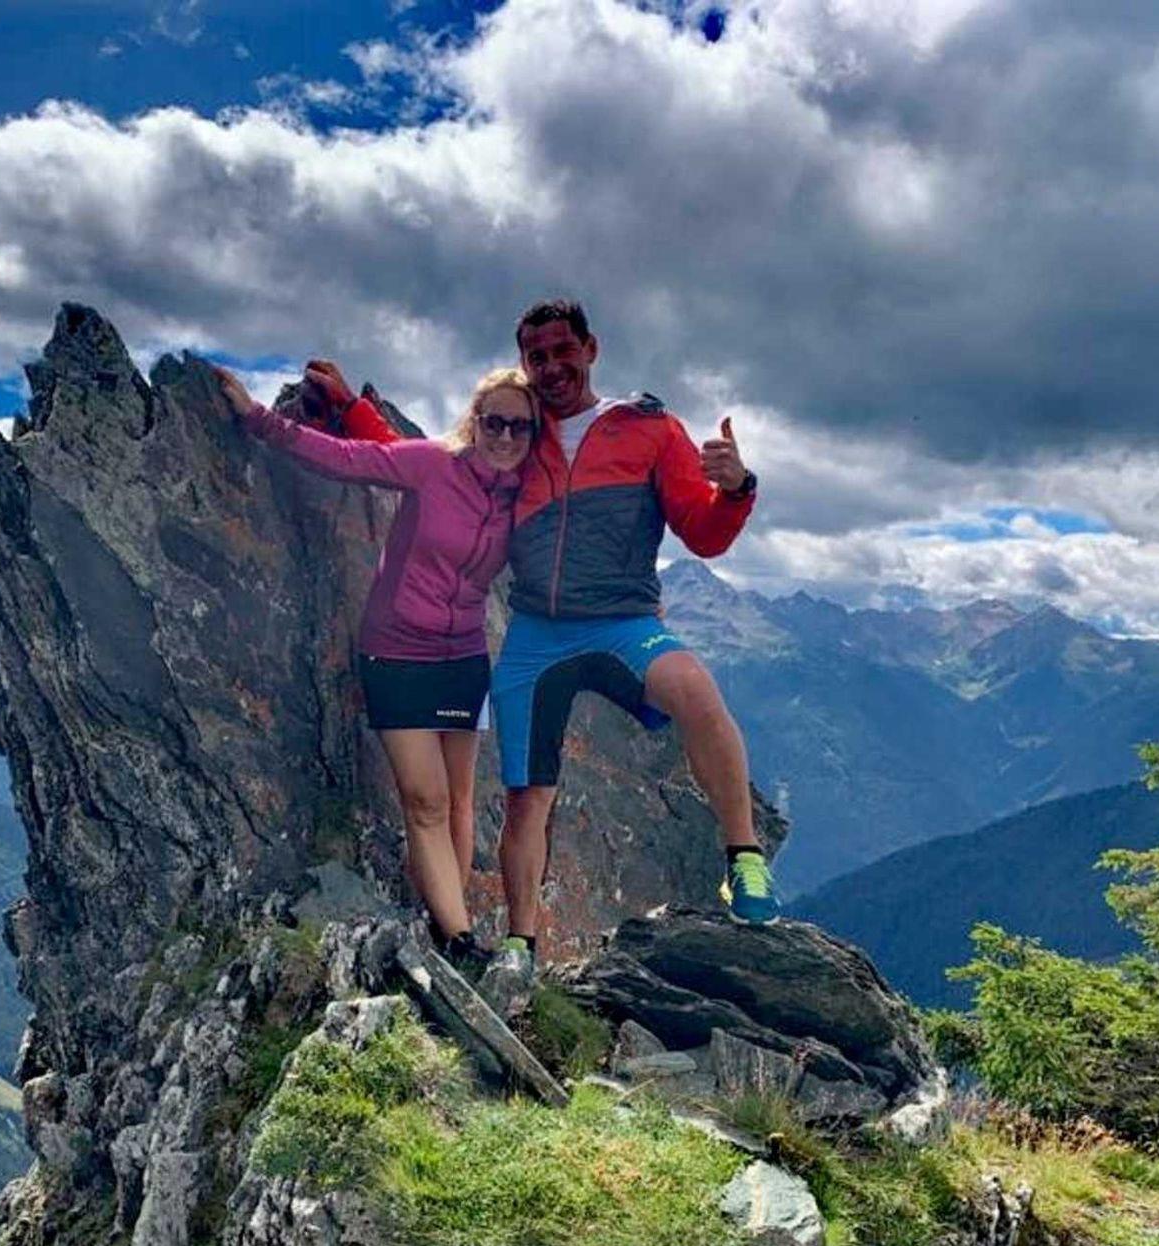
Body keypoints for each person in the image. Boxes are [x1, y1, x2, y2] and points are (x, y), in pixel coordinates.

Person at [340, 299, 777, 972]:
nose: (551, 367)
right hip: (537, 635)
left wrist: (737, 488)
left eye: (562, 351)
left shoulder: (650, 430)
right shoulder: (518, 433)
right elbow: (433, 464)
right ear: (524, 362)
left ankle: (743, 856)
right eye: (536, 356)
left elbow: (706, 534)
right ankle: (521, 944)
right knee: (526, 797)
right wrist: (351, 410)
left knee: (695, 691)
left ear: (590, 349)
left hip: (623, 622)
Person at [212, 359, 537, 972]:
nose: (505, 436)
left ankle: (448, 926)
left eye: (520, 427)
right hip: (397, 651)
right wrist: (258, 419)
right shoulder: (435, 463)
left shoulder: (524, 496)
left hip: (465, 657)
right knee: (425, 800)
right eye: (494, 422)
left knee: (460, 802)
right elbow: (356, 459)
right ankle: (461, 940)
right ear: (475, 421)